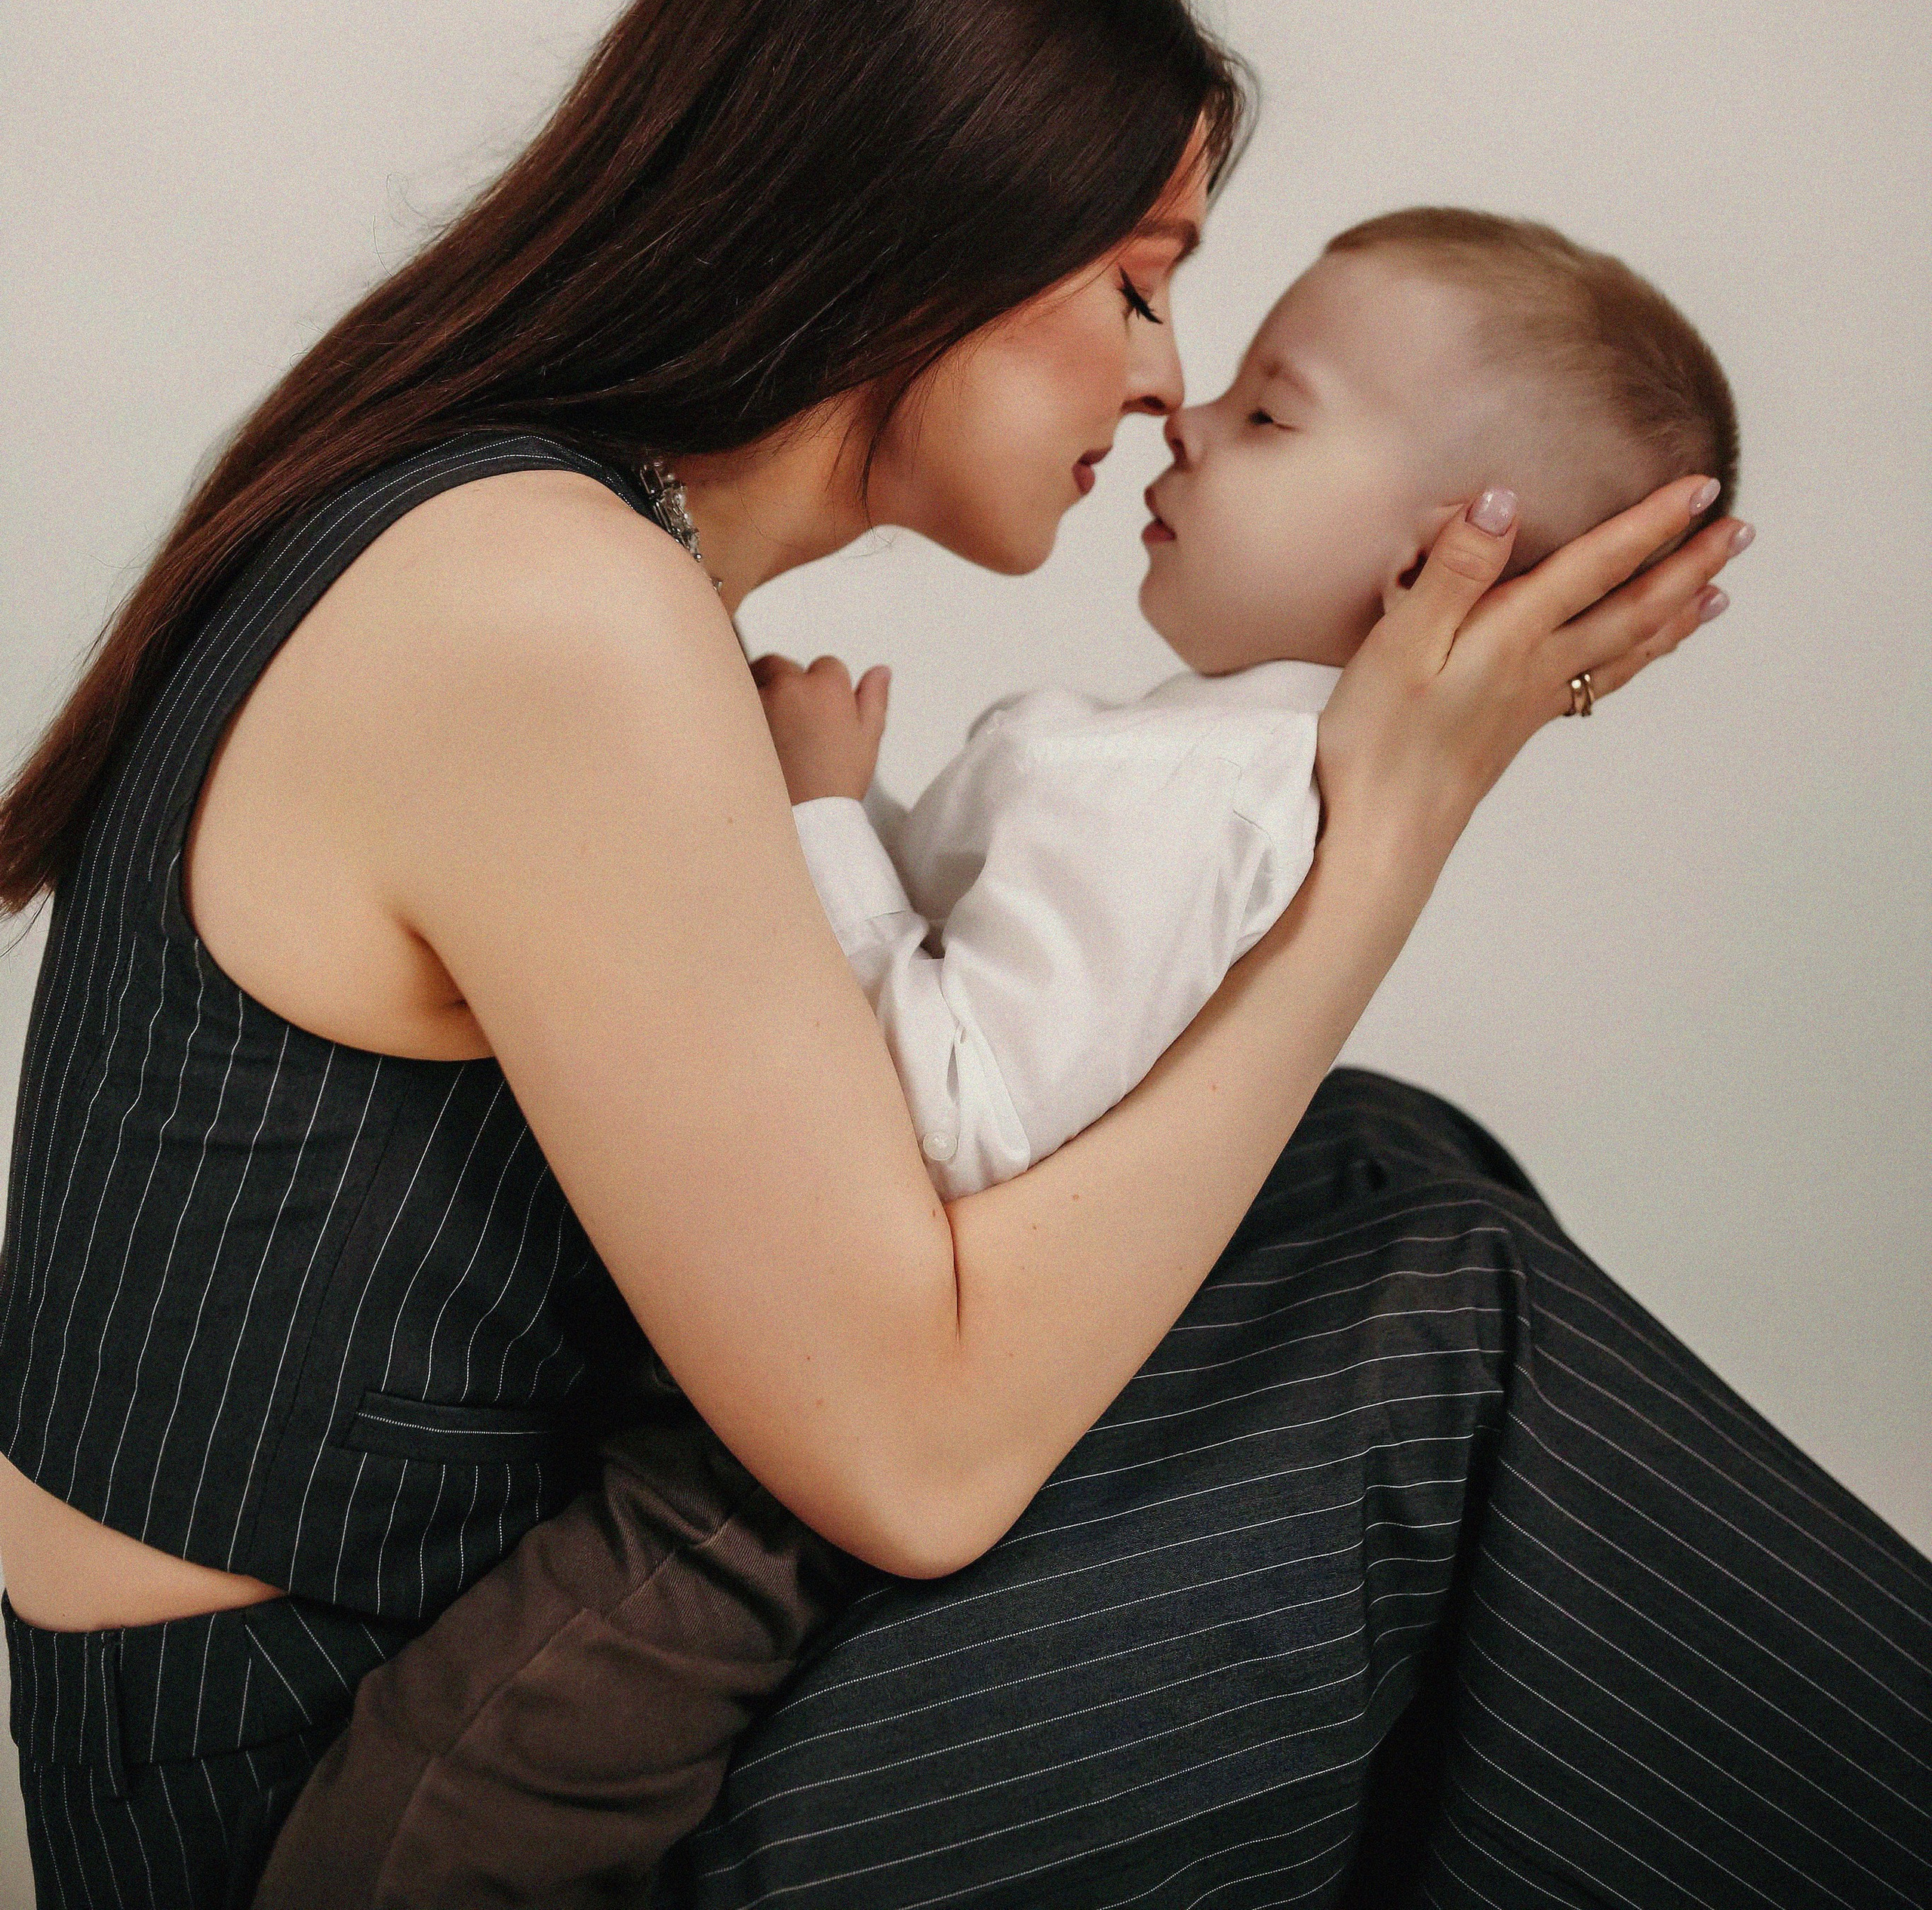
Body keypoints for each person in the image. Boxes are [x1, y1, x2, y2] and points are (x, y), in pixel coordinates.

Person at [0, 0, 1907, 1910]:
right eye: (1145, 285)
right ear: (919, 242)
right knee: (1442, 1322)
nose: (1171, 375)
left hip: (480, 1648)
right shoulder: (541, 607)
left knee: (1375, 1168)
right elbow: (912, 1463)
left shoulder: (529, 541)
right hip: (359, 1797)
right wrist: (1394, 827)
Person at [251, 203, 1758, 1910]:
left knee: (527, 1731)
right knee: (1419, 1179)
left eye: (1267, 414)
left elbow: (953, 1119)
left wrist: (818, 816)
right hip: (881, 1336)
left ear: (1439, 561)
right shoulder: (1218, 764)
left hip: (812, 1406)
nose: (1177, 406)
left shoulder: (1181, 794)